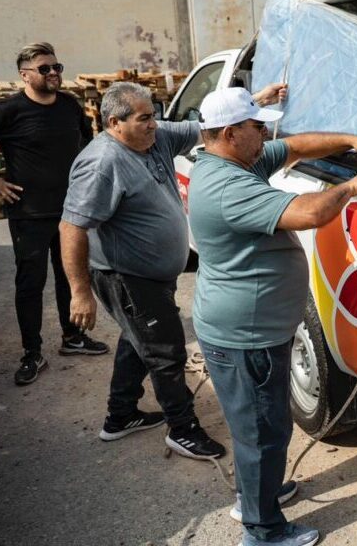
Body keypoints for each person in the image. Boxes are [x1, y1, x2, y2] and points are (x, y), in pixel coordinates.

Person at [188, 86, 357, 546]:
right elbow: (312, 213)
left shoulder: (231, 158)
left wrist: (350, 140)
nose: (266, 132)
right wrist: (351, 186)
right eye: (257, 126)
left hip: (250, 328)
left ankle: (260, 493)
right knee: (263, 432)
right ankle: (262, 530)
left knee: (258, 427)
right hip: (244, 335)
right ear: (231, 132)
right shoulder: (226, 186)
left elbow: (294, 147)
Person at [58, 81, 228, 456]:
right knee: (166, 353)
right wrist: (80, 291)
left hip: (153, 276)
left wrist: (257, 102)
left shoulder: (156, 137)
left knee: (138, 340)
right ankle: (182, 429)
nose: (154, 124)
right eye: (144, 118)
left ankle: (120, 416)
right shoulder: (102, 163)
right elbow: (72, 226)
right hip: (127, 278)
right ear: (115, 123)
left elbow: (203, 130)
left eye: (154, 116)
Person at [0, 42, 109, 386]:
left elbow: (87, 142)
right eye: (44, 69)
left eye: (57, 67)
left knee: (69, 277)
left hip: (70, 212)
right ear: (25, 75)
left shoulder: (69, 106)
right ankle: (32, 353)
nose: (53, 74)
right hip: (29, 214)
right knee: (30, 285)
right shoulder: (9, 110)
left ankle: (73, 338)